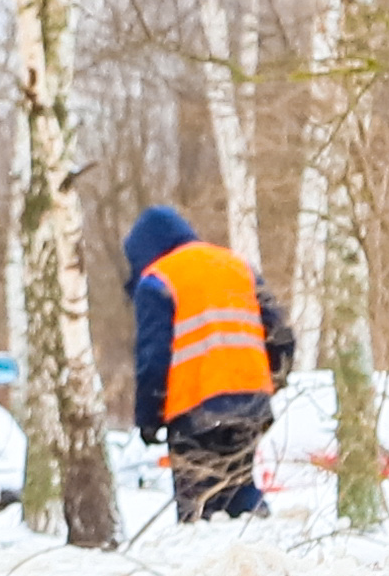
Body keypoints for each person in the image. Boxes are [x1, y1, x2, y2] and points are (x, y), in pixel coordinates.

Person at [124, 205, 290, 523]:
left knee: (198, 503)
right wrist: (272, 382)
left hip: (194, 410)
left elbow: (153, 360)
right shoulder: (238, 266)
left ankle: (207, 558)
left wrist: (148, 418)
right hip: (251, 404)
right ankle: (261, 551)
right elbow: (281, 335)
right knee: (240, 486)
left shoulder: (157, 281)